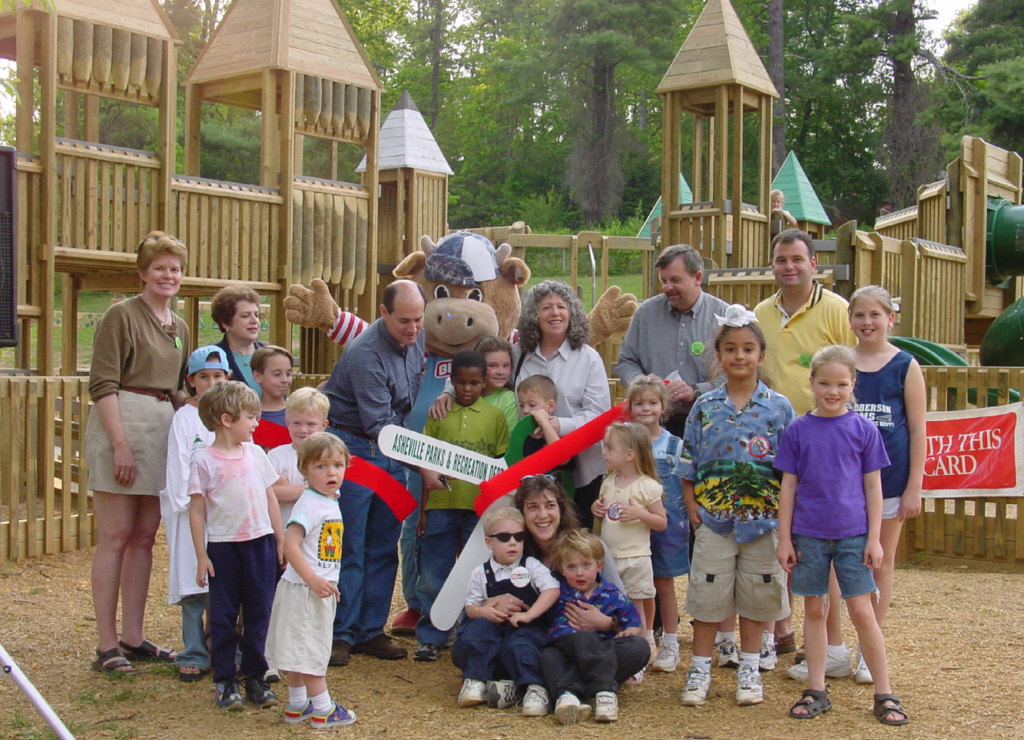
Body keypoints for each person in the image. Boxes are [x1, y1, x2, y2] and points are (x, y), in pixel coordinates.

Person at [775, 345, 908, 726]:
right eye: (824, 384)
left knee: (862, 611)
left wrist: (874, 538)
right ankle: (817, 689)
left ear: (852, 385)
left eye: (841, 384)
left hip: (853, 535)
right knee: (815, 609)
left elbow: (873, 487)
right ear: (812, 383)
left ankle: (884, 693)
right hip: (809, 535)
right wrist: (785, 539)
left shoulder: (863, 430)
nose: (832, 392)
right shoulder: (798, 430)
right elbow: (788, 487)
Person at [679, 306, 794, 708]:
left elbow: (792, 471)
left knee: (758, 595)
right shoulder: (705, 406)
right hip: (713, 520)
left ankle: (749, 667)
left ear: (761, 355)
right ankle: (699, 668)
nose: (739, 356)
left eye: (748, 348)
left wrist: (786, 521)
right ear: (719, 355)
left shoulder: (779, 408)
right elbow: (689, 459)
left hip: (763, 522)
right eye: (730, 349)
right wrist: (691, 504)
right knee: (708, 594)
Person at [86, 231, 190, 674]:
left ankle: (133, 636)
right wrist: (120, 446)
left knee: (145, 537)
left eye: (175, 268)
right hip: (123, 424)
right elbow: (103, 385)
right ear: (143, 273)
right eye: (160, 268)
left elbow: (179, 387)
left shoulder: (179, 325)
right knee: (116, 535)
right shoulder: (121, 315)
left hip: (162, 429)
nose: (168, 275)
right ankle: (106, 644)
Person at [432, 281, 611, 529]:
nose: (555, 313)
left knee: (573, 537)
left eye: (561, 306)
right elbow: (481, 369)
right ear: (534, 315)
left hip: (579, 470)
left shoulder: (588, 358)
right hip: (526, 468)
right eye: (546, 307)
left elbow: (599, 415)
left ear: (572, 312)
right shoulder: (518, 353)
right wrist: (448, 391)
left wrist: (559, 425)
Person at [754, 229, 856, 659]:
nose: (789, 267)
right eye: (781, 260)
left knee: (817, 542)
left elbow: (852, 373)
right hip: (770, 442)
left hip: (821, 444)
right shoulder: (761, 312)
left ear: (814, 263)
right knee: (773, 536)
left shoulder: (836, 310)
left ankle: (830, 641)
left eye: (797, 259)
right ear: (772, 265)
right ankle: (779, 630)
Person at [323, 279, 427, 665]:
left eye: (418, 319)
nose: (413, 329)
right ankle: (341, 633)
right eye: (404, 321)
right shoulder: (365, 354)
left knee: (384, 542)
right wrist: (424, 467)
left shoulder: (416, 336)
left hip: (391, 449)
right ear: (383, 313)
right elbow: (379, 425)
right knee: (350, 543)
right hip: (356, 449)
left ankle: (370, 630)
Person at [188, 382, 284, 711]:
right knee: (224, 616)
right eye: (250, 417)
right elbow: (197, 510)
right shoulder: (203, 460)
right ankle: (225, 680)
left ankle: (256, 676)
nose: (256, 423)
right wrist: (202, 555)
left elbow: (270, 497)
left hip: (260, 544)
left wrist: (279, 539)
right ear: (227, 420)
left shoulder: (256, 454)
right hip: (223, 548)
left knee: (259, 613)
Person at [847, 286, 925, 684]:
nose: (867, 322)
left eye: (875, 315)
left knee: (882, 560)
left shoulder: (905, 365)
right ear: (850, 320)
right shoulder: (843, 362)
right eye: (859, 315)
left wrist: (914, 487)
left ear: (890, 319)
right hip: (844, 485)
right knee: (837, 564)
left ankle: (869, 648)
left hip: (891, 481)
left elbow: (918, 429)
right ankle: (832, 647)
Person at [414, 350, 510, 662]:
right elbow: (426, 466)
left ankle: (469, 634)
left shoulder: (495, 417)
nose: (467, 389)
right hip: (440, 507)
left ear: (484, 383)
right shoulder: (438, 414)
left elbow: (502, 467)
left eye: (474, 383)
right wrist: (423, 511)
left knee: (475, 574)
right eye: (460, 382)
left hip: (480, 512)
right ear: (451, 381)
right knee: (433, 573)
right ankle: (431, 637)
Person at [266, 433, 356, 729]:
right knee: (311, 650)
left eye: (338, 465)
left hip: (313, 588)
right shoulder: (309, 504)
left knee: (298, 648)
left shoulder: (327, 500)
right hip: (306, 591)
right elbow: (290, 545)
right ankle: (323, 709)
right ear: (304, 470)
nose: (331, 473)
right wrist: (314, 580)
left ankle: (297, 704)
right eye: (321, 466)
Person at [160, 346, 230, 682]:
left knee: (223, 583)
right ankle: (192, 649)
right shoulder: (185, 418)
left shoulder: (231, 415)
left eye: (218, 376)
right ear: (191, 381)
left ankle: (222, 645)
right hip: (191, 512)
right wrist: (188, 504)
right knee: (193, 584)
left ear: (228, 377)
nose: (212, 383)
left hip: (225, 513)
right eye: (204, 377)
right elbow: (178, 463)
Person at [450, 506, 560, 709]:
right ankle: (476, 680)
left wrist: (530, 614)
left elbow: (552, 589)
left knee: (522, 645)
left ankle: (534, 688)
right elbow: (471, 606)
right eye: (504, 537)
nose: (512, 542)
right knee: (476, 633)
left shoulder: (531, 565)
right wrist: (483, 612)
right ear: (489, 542)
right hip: (494, 628)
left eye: (519, 536)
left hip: (524, 627)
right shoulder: (481, 572)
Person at [616, 243, 730, 437]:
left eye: (675, 280)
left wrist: (696, 391)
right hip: (654, 425)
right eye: (664, 281)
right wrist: (643, 384)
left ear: (698, 278)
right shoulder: (645, 314)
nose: (668, 288)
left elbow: (734, 372)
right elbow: (626, 361)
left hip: (710, 422)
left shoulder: (722, 316)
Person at [540, 530, 649, 724]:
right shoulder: (556, 591)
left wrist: (629, 630)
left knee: (638, 647)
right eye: (571, 567)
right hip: (564, 648)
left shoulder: (612, 593)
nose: (579, 573)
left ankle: (590, 692)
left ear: (599, 565)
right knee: (549, 656)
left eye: (586, 565)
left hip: (601, 649)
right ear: (561, 569)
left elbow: (632, 619)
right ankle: (574, 695)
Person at [624, 377, 689, 673]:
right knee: (636, 584)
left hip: (667, 523)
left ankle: (671, 642)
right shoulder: (624, 441)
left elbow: (685, 482)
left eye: (652, 403)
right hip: (632, 525)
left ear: (663, 407)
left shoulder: (674, 444)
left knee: (663, 583)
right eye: (639, 403)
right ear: (630, 407)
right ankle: (641, 641)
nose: (646, 408)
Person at [591, 421, 667, 660]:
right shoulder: (608, 482)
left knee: (637, 603)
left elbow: (661, 522)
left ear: (630, 454)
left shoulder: (647, 486)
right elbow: (604, 517)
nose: (604, 452)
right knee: (612, 602)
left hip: (635, 557)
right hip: (610, 558)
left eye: (609, 447)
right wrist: (596, 509)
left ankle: (641, 648)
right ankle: (619, 646)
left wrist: (640, 514)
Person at [269, 387, 331, 525]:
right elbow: (269, 494)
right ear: (287, 423)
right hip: (283, 529)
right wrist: (313, 488)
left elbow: (327, 491)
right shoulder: (275, 456)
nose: (303, 430)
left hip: (318, 531)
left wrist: (287, 489)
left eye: (310, 424)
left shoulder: (329, 456)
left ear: (324, 425)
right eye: (297, 423)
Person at [211, 285, 266, 393]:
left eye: (256, 315)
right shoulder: (213, 356)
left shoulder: (271, 354)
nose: (254, 320)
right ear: (226, 323)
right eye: (245, 315)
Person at [251, 345, 295, 449]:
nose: (285, 380)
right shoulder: (250, 417)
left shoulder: (299, 410)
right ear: (258, 376)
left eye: (288, 374)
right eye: (277, 374)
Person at [476, 336, 519, 432]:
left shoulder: (508, 398)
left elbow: (510, 435)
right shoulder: (468, 394)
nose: (500, 372)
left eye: (505, 366)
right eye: (493, 366)